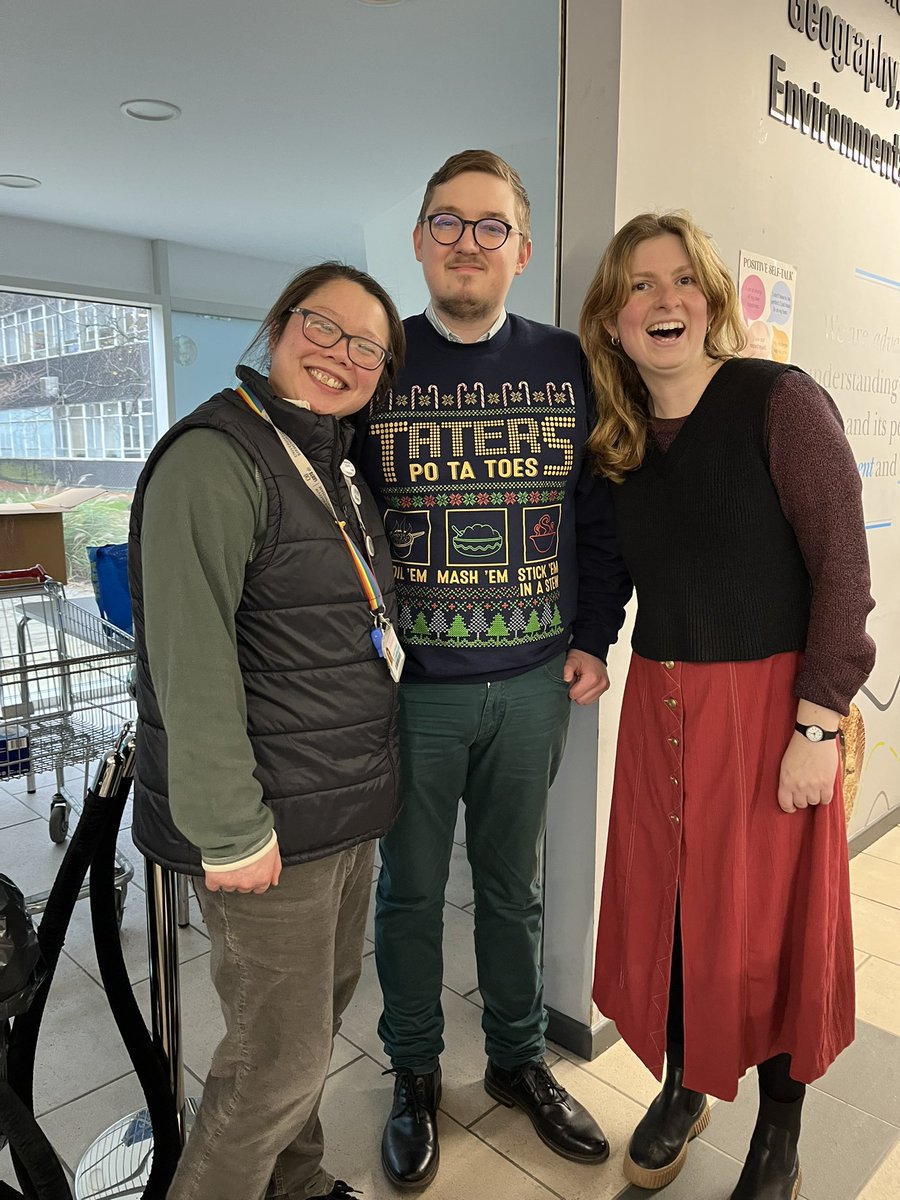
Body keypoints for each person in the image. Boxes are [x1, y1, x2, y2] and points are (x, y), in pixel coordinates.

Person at [579, 212, 876, 1200]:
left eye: (680, 282)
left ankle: (779, 1137)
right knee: (671, 917)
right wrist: (588, 643)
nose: (662, 302)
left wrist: (817, 723)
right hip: (664, 714)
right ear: (614, 319)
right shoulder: (619, 434)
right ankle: (683, 1085)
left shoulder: (777, 402)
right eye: (638, 287)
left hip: (771, 716)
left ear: (709, 301)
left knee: (773, 933)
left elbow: (844, 570)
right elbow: (615, 565)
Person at [357, 149, 630, 1189]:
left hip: (529, 684)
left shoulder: (569, 363)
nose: (468, 242)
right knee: (412, 892)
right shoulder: (379, 363)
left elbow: (598, 519)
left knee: (513, 888)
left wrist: (595, 636)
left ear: (522, 247)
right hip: (413, 690)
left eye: (489, 225)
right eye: (447, 222)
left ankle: (518, 1060)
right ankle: (415, 1072)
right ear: (422, 239)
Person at [129, 262, 406, 1200]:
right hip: (266, 823)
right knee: (274, 1063)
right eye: (323, 329)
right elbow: (186, 654)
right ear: (279, 327)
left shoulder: (333, 464)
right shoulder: (213, 458)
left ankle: (298, 1185)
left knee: (307, 1033)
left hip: (334, 806)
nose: (341, 356)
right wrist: (229, 823)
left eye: (367, 346)